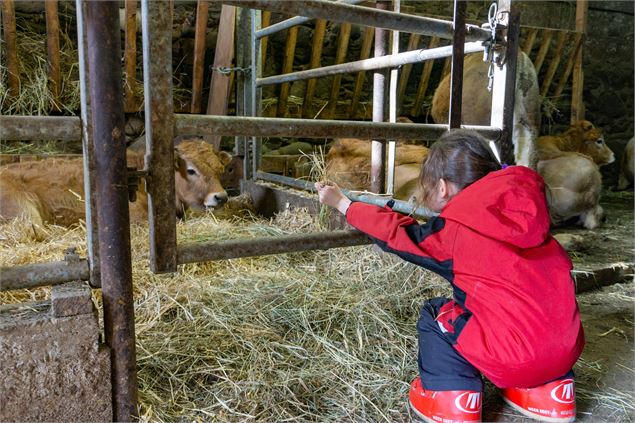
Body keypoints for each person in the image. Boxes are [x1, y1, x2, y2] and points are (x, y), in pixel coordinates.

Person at [315, 129, 584, 423]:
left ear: (442, 188)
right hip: (565, 353)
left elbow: (399, 235)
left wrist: (343, 203)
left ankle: (453, 397)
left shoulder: (456, 232)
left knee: (436, 313)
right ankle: (552, 393)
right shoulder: (533, 211)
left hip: (515, 358)